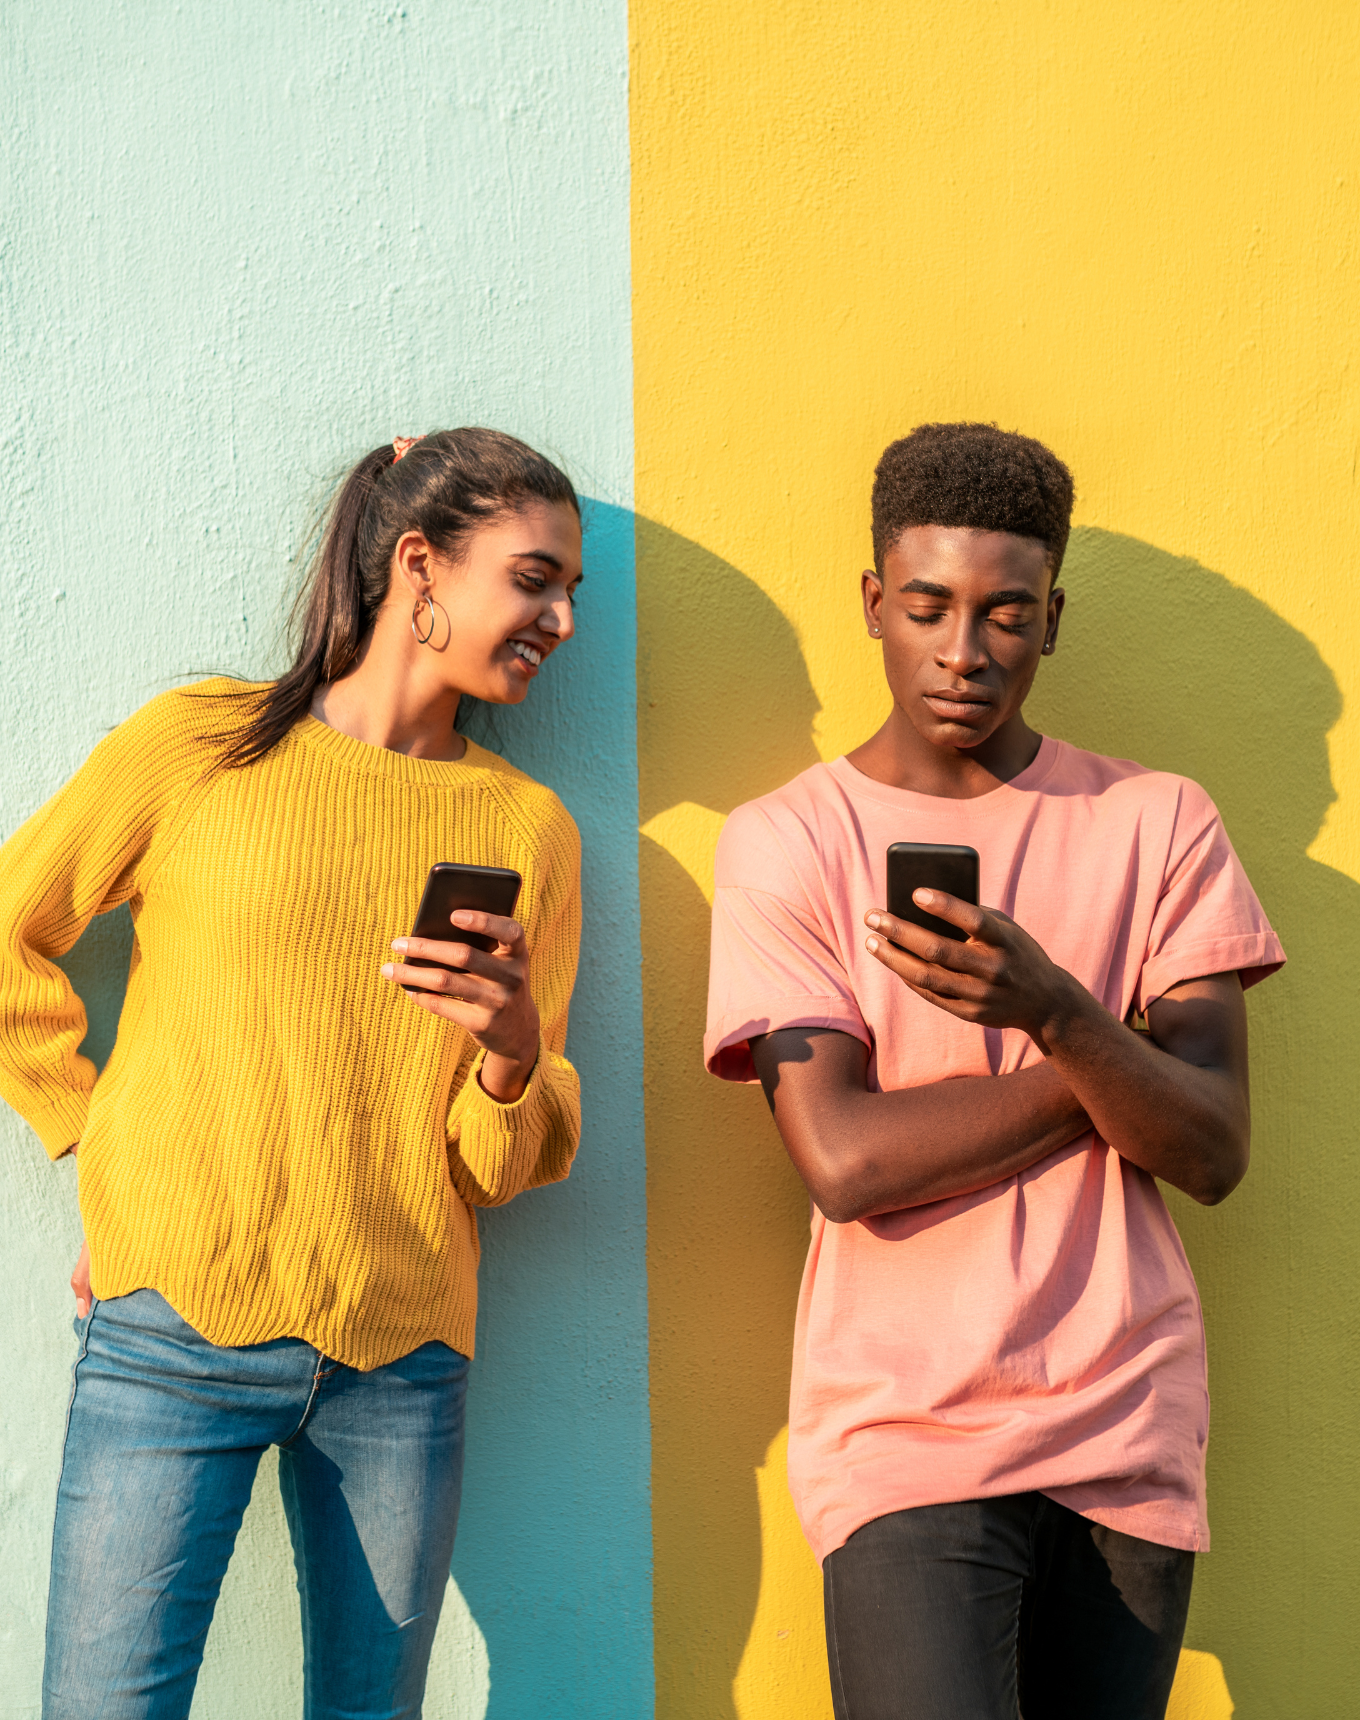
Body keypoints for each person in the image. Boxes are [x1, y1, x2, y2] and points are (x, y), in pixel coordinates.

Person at [0, 428, 586, 1720]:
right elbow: (8, 937)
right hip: (169, 1333)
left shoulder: (525, 831)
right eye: (534, 578)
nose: (559, 617)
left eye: (571, 594)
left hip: (403, 1356)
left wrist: (506, 1051)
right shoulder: (200, 746)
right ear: (420, 566)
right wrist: (92, 1142)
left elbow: (499, 1165)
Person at [704, 423, 1284, 1720]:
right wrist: (1109, 1058)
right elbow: (847, 1162)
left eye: (1006, 614)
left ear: (1053, 621)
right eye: (929, 608)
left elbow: (1211, 1149)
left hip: (1125, 1424)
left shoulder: (1160, 823)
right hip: (904, 1434)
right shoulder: (792, 841)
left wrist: (1058, 1012)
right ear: (875, 604)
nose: (964, 652)